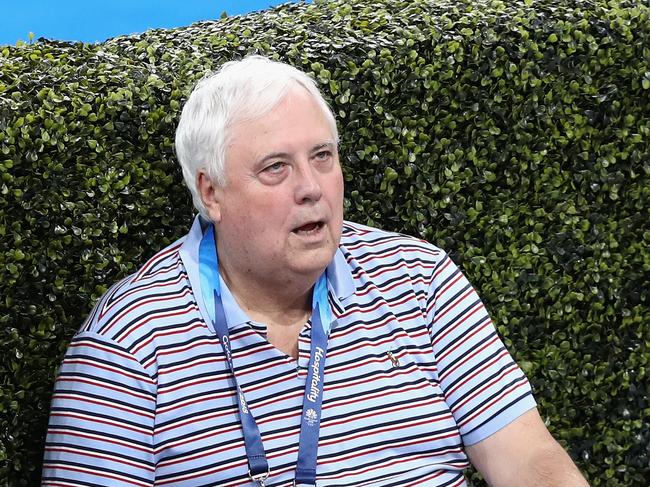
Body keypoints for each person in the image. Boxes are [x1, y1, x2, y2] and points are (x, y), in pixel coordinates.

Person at [42, 55, 589, 486]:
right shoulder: (130, 345)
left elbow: (526, 458)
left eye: (322, 156)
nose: (311, 187)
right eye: (276, 167)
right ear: (211, 193)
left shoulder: (419, 279)